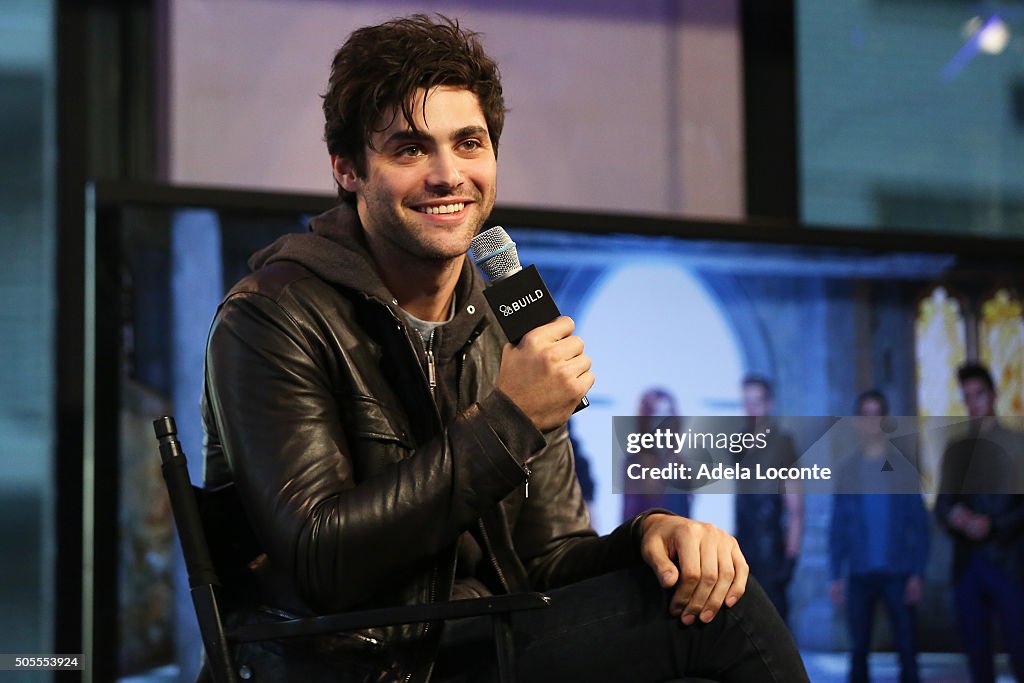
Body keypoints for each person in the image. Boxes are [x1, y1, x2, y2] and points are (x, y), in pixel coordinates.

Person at [201, 15, 808, 682]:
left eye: (469, 143)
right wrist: (510, 418)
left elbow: (548, 559)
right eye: (409, 150)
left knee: (706, 593)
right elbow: (320, 560)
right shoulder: (271, 313)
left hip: (478, 640)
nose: (448, 174)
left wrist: (650, 535)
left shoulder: (502, 318)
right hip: (356, 661)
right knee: (728, 619)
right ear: (347, 169)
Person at [829, 390, 929, 683]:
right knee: (858, 651)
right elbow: (838, 525)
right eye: (865, 414)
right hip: (859, 573)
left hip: (898, 572)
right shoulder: (847, 472)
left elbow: (919, 525)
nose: (871, 421)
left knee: (907, 649)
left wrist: (918, 573)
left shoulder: (903, 470)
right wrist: (835, 574)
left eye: (876, 414)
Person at [934, 362, 1024, 683]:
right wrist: (956, 517)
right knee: (976, 656)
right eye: (968, 397)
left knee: (1020, 649)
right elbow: (942, 503)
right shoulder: (956, 449)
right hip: (967, 565)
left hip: (1009, 562)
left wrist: (992, 524)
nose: (974, 403)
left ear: (993, 395)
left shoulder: (1017, 444)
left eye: (979, 394)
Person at [732, 374, 803, 622]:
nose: (751, 409)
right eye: (746, 402)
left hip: (772, 551)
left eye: (757, 402)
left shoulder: (783, 444)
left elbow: (795, 509)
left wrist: (791, 557)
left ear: (769, 404)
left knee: (775, 624)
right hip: (743, 548)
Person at [622, 388, 692, 522]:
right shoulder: (634, 463)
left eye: (667, 418)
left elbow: (687, 516)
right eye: (656, 418)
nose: (663, 427)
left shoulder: (681, 465)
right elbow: (628, 518)